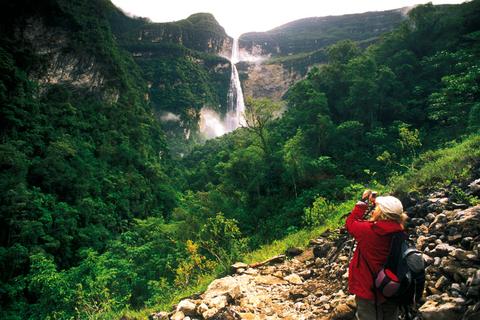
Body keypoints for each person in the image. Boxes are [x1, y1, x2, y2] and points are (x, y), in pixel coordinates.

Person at [345, 190, 408, 320]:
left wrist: (363, 203)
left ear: (381, 213)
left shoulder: (367, 230)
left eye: (377, 208)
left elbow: (350, 223)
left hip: (367, 287)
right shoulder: (400, 232)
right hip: (391, 286)